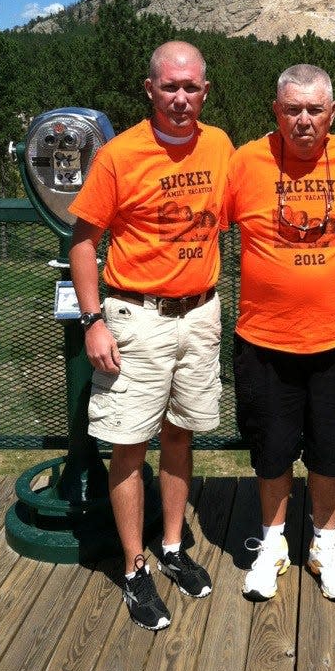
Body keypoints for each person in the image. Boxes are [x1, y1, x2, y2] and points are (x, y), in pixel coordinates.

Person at [69, 41, 233, 631]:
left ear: (205, 92)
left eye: (191, 87)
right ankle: (134, 568)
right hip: (136, 317)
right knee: (129, 444)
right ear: (150, 89)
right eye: (170, 87)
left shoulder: (219, 146)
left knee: (180, 436)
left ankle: (171, 546)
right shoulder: (119, 155)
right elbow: (83, 241)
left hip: (200, 313)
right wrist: (94, 322)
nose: (181, 98)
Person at [226, 64, 335, 602]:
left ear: (332, 113)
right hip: (264, 339)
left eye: (314, 109)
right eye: (293, 109)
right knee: (270, 448)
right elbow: (195, 222)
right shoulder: (246, 162)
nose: (304, 120)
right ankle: (272, 544)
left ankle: (325, 544)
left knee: (332, 449)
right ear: (277, 112)